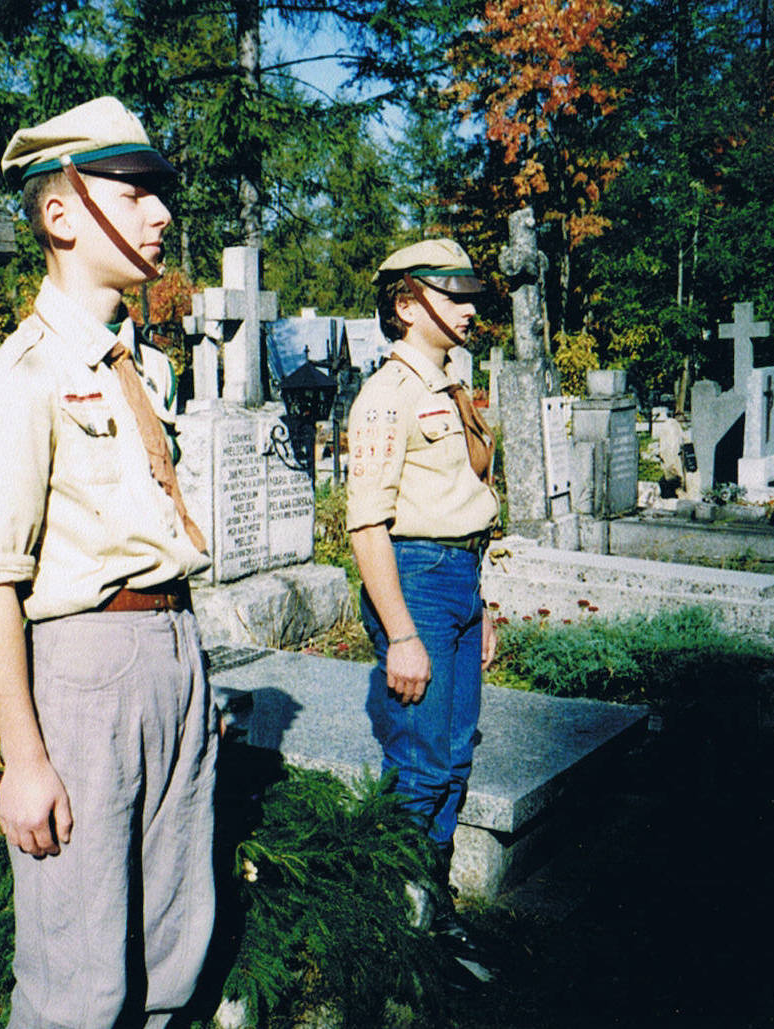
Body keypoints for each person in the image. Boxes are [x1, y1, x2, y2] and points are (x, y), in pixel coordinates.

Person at [0, 97, 217, 1029]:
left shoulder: (142, 367)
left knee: (177, 944)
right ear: (62, 213)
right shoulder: (16, 381)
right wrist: (24, 759)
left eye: (158, 193)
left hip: (173, 648)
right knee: (79, 973)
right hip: (85, 672)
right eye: (136, 192)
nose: (162, 213)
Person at [345, 238, 501, 982]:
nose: (469, 309)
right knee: (421, 762)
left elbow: (461, 503)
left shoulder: (448, 385)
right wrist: (402, 633)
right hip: (416, 584)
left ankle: (429, 906)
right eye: (453, 295)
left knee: (456, 755)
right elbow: (366, 525)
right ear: (408, 305)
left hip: (458, 579)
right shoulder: (387, 396)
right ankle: (394, 923)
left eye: (471, 296)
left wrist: (480, 603)